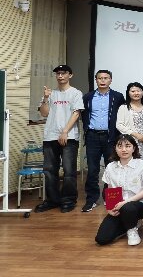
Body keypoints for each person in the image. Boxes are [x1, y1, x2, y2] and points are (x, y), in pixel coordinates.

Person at [35, 64, 84, 213]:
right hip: (50, 136)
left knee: (69, 171)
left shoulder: (75, 93)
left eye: (63, 73)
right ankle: (52, 200)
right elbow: (44, 113)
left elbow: (76, 113)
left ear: (70, 75)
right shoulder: (51, 93)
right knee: (49, 170)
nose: (60, 76)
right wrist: (45, 98)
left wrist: (65, 131)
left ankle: (68, 200)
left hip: (69, 137)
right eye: (58, 74)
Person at [95, 134, 143, 246]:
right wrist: (109, 208)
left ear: (134, 148)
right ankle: (130, 223)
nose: (124, 149)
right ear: (115, 148)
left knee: (128, 207)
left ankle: (132, 230)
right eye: (120, 146)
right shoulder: (110, 167)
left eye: (127, 146)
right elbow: (110, 190)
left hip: (139, 205)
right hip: (118, 207)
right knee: (102, 239)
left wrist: (125, 202)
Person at [81, 70, 125, 213]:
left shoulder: (118, 96)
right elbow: (83, 114)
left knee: (111, 168)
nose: (103, 81)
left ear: (110, 80)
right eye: (100, 78)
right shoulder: (88, 97)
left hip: (110, 137)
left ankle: (110, 198)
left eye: (106, 78)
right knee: (92, 169)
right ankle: (91, 199)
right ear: (96, 80)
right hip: (92, 136)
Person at [116, 82, 143, 175]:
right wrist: (136, 135)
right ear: (128, 93)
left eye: (138, 91)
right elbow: (119, 125)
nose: (136, 93)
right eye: (133, 91)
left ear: (142, 92)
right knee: (133, 169)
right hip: (132, 141)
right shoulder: (124, 107)